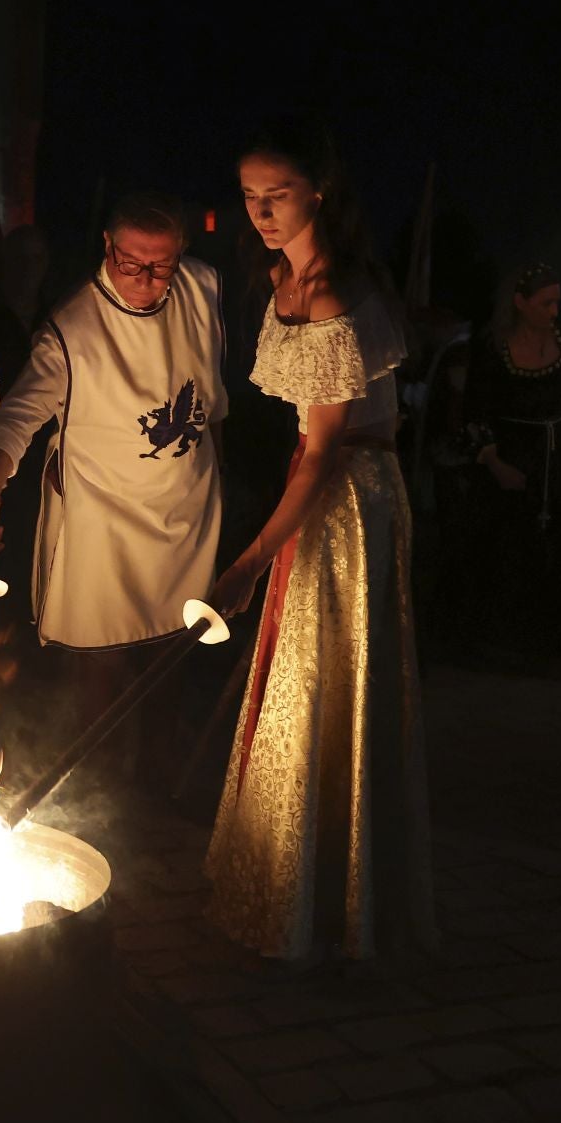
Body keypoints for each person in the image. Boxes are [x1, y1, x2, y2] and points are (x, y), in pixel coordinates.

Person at [202, 119, 434, 966]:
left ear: (318, 194)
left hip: (352, 498)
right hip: (314, 485)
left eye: (280, 195)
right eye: (251, 196)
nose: (262, 211)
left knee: (330, 682)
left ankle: (336, 901)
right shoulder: (280, 277)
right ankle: (289, 884)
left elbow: (328, 449)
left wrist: (248, 561)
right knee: (296, 680)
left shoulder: (335, 291)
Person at [0, 192, 225, 774]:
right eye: (131, 262)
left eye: (162, 265)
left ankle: (157, 781)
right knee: (98, 662)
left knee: (171, 652)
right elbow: (16, 418)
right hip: (101, 516)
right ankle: (99, 785)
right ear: (107, 247)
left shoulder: (201, 288)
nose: (147, 279)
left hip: (184, 510)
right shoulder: (70, 328)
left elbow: (212, 400)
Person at [446, 263, 561, 665]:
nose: (554, 311)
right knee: (506, 547)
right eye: (546, 302)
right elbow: (475, 410)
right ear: (519, 302)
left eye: (557, 303)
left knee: (556, 549)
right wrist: (495, 463)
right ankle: (499, 645)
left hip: (558, 460)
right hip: (512, 460)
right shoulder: (493, 347)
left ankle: (550, 648)